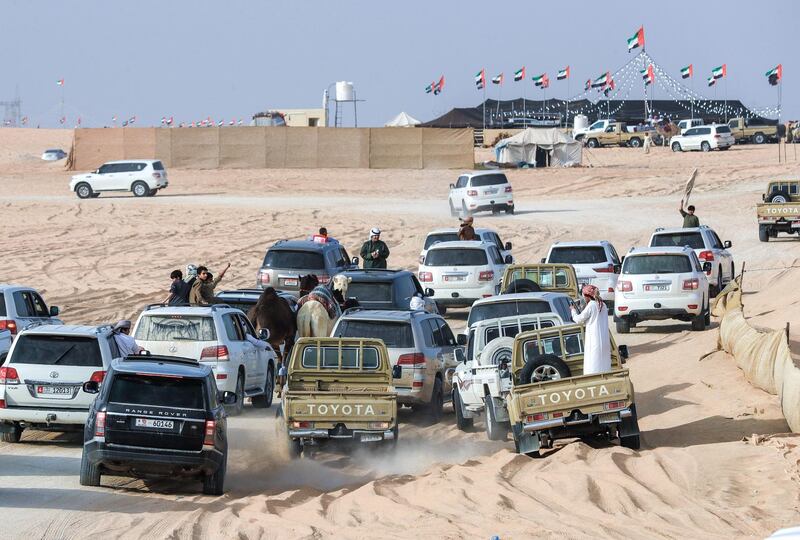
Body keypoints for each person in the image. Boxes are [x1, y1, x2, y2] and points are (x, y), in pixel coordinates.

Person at [569, 285, 611, 375]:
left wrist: (573, 310)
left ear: (587, 296)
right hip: (604, 342)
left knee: (593, 368)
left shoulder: (591, 305)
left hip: (594, 343)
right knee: (604, 366)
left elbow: (579, 320)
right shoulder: (603, 305)